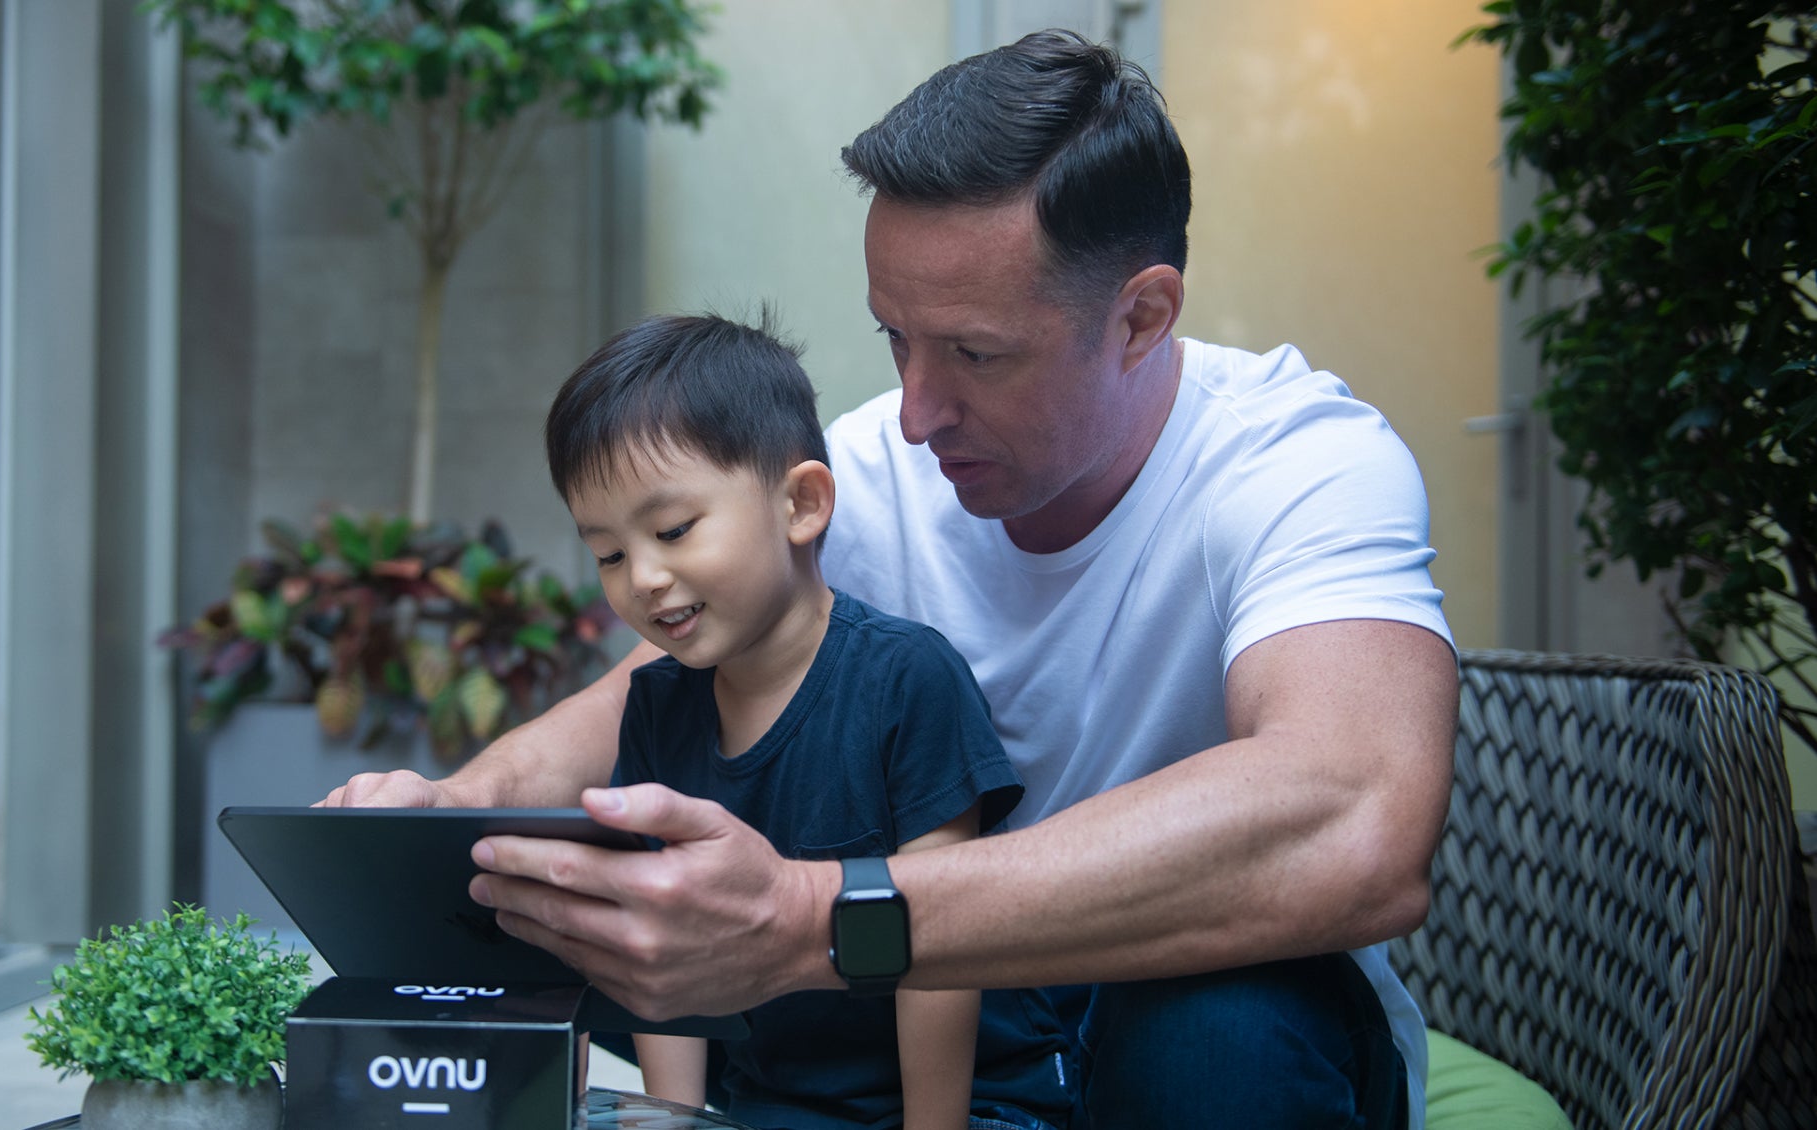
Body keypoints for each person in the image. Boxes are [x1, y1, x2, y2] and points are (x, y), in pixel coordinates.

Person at [325, 29, 1457, 1129]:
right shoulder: (861, 472)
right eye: (893, 341)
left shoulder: (1300, 462)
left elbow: (1357, 816)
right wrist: (453, 800)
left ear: (1142, 317)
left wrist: (816, 917)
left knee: (1212, 1037)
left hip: (1214, 1009)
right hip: (940, 1025)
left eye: (974, 353)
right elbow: (643, 691)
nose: (916, 413)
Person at [539, 312, 1073, 1130]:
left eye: (673, 530)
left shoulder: (906, 680)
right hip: (775, 1104)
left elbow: (937, 942)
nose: (643, 577)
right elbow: (666, 950)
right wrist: (674, 1119)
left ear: (802, 504)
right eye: (608, 553)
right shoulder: (657, 707)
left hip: (973, 1105)